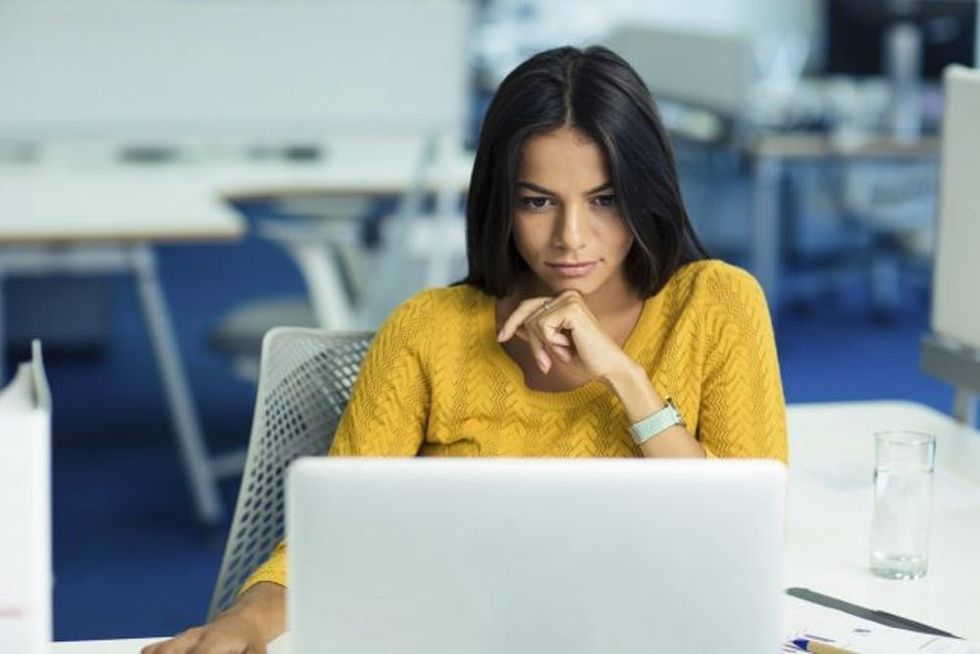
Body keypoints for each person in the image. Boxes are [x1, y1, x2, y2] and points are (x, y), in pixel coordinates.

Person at [145, 45, 787, 654]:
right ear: (501, 204)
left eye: (604, 201)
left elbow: (742, 536)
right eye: (538, 202)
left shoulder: (717, 304)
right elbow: (335, 538)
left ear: (646, 194)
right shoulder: (430, 330)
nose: (571, 237)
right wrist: (243, 621)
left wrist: (625, 377)